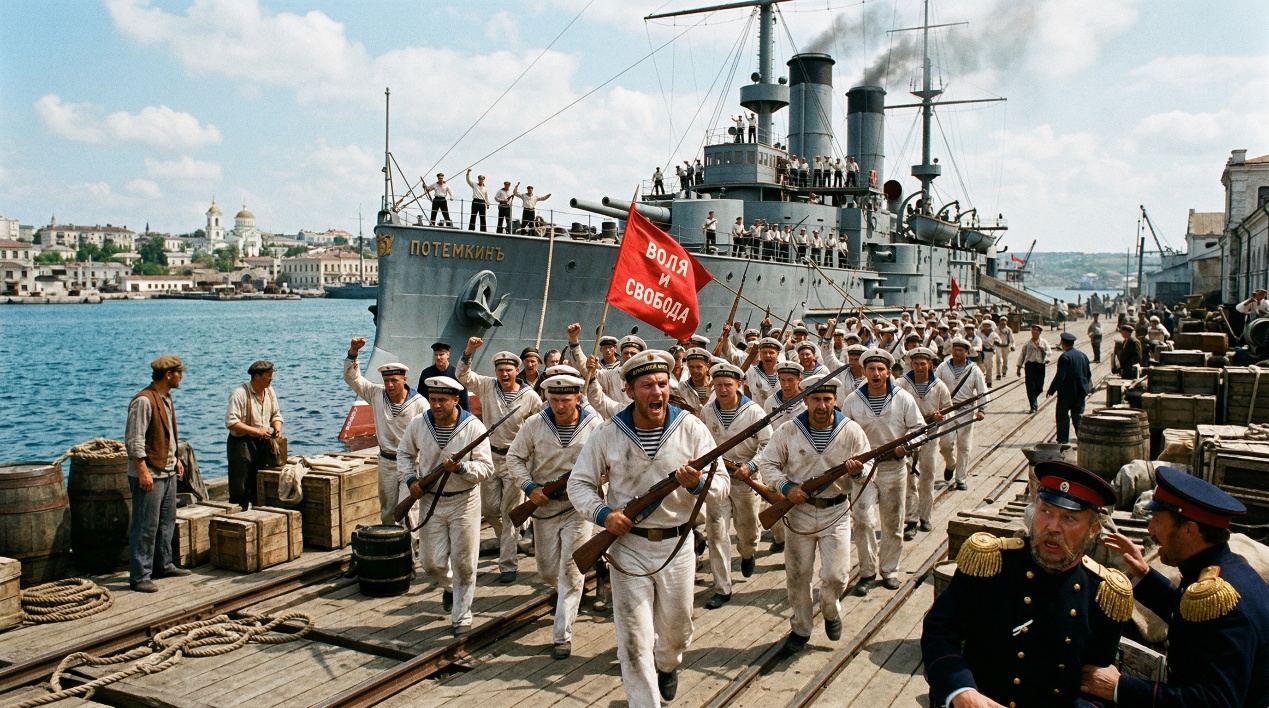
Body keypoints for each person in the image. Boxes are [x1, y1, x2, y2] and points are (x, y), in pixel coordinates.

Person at [568, 350, 728, 706]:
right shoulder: (608, 433)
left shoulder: (691, 428)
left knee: (676, 631)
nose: (657, 392)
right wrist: (603, 515)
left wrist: (697, 485)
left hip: (677, 545)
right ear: (628, 390)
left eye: (662, 384)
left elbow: (722, 486)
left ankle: (668, 663)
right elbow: (579, 484)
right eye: (646, 385)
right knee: (634, 640)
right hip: (628, 546)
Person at [922, 461, 1128, 708]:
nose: (1052, 527)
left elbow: (1098, 686)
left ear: (1093, 530)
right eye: (1046, 512)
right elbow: (939, 631)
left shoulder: (1102, 593)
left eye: (1069, 518)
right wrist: (961, 691)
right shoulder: (991, 565)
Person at [1086, 466, 1269, 707]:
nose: (1151, 530)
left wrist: (1119, 687)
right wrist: (1144, 574)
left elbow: (1215, 702)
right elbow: (1193, 619)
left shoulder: (1224, 603)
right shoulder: (1227, 569)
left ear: (1189, 530)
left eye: (1158, 521)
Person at [757, 374, 869, 650]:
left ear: (835, 400)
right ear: (805, 400)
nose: (822, 405)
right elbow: (767, 464)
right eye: (816, 399)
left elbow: (868, 470)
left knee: (836, 575)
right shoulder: (788, 430)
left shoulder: (851, 431)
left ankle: (830, 609)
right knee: (798, 575)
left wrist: (858, 473)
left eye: (827, 399)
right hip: (799, 511)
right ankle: (801, 628)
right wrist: (786, 487)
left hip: (836, 511)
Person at [506, 374, 604, 660]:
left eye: (566, 400)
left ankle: (562, 635)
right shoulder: (535, 424)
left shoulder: (594, 426)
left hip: (577, 508)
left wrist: (596, 484)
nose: (560, 406)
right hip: (544, 507)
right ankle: (569, 597)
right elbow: (514, 458)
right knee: (548, 571)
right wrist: (529, 488)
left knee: (572, 570)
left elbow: (607, 463)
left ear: (578, 398)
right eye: (554, 399)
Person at [398, 376, 493, 635]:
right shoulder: (419, 423)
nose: (436, 405)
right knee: (431, 563)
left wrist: (462, 468)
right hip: (431, 500)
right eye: (433, 399)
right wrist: (410, 480)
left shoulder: (473, 427)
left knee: (465, 563)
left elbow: (486, 468)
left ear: (455, 400)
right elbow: (405, 453)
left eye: (442, 400)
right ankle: (451, 588)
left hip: (465, 500)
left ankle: (462, 616)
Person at [841, 348, 925, 594]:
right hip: (863, 471)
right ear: (864, 371)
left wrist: (907, 446)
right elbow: (842, 434)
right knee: (863, 521)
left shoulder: (903, 398)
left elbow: (919, 428)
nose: (876, 373)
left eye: (880, 369)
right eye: (871, 369)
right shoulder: (852, 400)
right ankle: (867, 572)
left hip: (893, 468)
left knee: (892, 523)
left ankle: (889, 570)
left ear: (889, 372)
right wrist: (851, 461)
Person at [457, 340, 542, 583]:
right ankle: (509, 538)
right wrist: (468, 351)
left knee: (510, 512)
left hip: (516, 460)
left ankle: (507, 564)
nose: (504, 374)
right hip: (490, 457)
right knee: (490, 509)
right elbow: (463, 376)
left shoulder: (530, 397)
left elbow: (539, 426)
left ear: (517, 371)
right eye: (500, 370)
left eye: (508, 370)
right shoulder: (487, 386)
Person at [700, 362, 771, 609]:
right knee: (716, 533)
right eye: (718, 385)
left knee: (748, 531)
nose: (723, 390)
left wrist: (750, 467)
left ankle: (748, 553)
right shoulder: (707, 411)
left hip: (746, 481)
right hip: (718, 479)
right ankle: (722, 587)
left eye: (728, 385)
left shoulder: (754, 412)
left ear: (739, 384)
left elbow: (768, 445)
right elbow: (702, 444)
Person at [344, 338, 429, 524]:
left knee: (410, 511)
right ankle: (391, 540)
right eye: (386, 380)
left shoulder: (420, 404)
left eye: (394, 380)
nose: (389, 385)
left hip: (411, 462)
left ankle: (412, 543)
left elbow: (430, 437)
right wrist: (353, 352)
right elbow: (353, 379)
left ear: (404, 380)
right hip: (386, 462)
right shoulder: (377, 394)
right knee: (388, 511)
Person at [125, 355, 190, 592]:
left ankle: (163, 564)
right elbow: (134, 441)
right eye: (179, 372)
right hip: (150, 473)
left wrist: (177, 459)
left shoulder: (166, 398)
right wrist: (143, 471)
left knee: (166, 522)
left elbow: (168, 435)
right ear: (168, 375)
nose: (182, 376)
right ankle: (140, 576)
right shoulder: (143, 401)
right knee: (145, 526)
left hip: (167, 471)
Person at [896, 347, 950, 541]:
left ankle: (925, 516)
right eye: (916, 364)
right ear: (911, 364)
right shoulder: (902, 384)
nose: (919, 367)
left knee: (928, 475)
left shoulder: (939, 386)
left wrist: (940, 417)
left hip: (930, 435)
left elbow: (948, 409)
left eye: (923, 364)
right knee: (909, 477)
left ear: (930, 365)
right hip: (909, 435)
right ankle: (911, 520)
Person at [224, 360, 283, 509]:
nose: (272, 378)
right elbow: (231, 423)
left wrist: (277, 428)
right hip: (241, 444)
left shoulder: (269, 391)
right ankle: (239, 515)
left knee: (260, 486)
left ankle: (258, 513)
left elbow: (276, 415)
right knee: (240, 488)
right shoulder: (239, 394)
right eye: (269, 375)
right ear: (257, 377)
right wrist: (257, 431)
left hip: (262, 444)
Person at [936, 339, 987, 490]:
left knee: (964, 446)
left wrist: (981, 409)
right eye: (955, 349)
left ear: (966, 352)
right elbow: (934, 386)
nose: (957, 353)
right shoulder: (943, 367)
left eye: (960, 350)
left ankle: (961, 479)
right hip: (948, 410)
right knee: (945, 444)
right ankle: (951, 464)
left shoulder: (974, 370)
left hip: (966, 410)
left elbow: (982, 390)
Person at [1047, 332, 1091, 445]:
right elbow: (1088, 374)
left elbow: (1060, 376)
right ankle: (1082, 440)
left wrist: (1051, 390)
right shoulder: (1083, 355)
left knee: (1062, 416)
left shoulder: (1064, 357)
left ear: (1063, 343)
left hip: (1066, 394)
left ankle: (1063, 440)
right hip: (1080, 392)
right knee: (1078, 417)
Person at [417, 341, 469, 411]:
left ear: (448, 355)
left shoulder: (457, 373)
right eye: (436, 354)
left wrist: (466, 414)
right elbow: (421, 397)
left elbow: (464, 398)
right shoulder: (426, 373)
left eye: (441, 354)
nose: (438, 357)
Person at [1015, 324, 1050, 413]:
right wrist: (1019, 367)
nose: (1034, 333)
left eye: (1036, 331)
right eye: (1033, 331)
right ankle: (1033, 406)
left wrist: (1041, 349)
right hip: (1030, 366)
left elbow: (1049, 353)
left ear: (1040, 333)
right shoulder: (1027, 344)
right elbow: (1022, 355)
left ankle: (1033, 398)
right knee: (1030, 386)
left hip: (1040, 366)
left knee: (1039, 387)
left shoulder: (1044, 342)